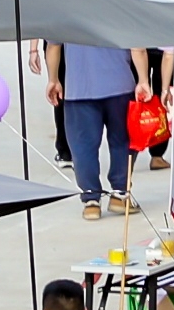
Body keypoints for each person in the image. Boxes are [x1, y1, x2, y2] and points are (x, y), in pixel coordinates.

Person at [47, 27, 151, 219]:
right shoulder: (121, 9)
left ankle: (91, 200)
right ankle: (120, 194)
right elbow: (138, 47)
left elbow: (53, 46)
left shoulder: (65, 13)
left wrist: (53, 79)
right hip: (120, 85)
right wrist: (143, 80)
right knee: (123, 142)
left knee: (82, 147)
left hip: (79, 89)